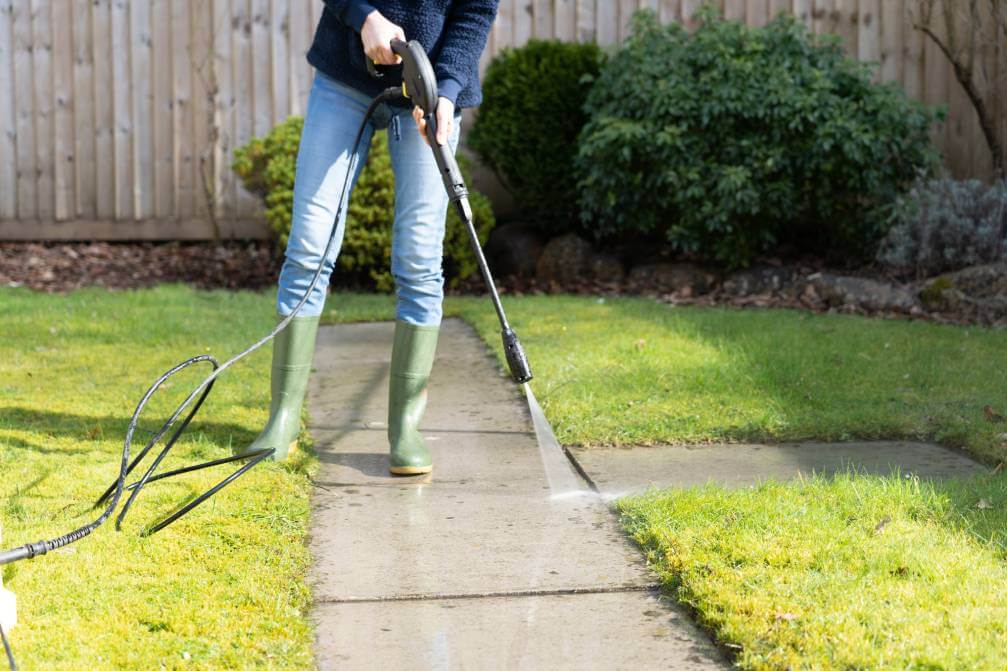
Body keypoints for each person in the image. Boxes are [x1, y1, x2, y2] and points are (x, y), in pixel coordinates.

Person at [243, 1, 498, 475]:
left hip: (429, 90)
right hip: (346, 80)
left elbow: (476, 11)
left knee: (420, 259)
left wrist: (445, 91)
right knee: (308, 249)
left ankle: (405, 430)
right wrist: (364, 16)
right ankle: (281, 421)